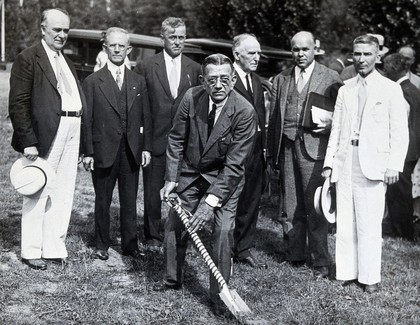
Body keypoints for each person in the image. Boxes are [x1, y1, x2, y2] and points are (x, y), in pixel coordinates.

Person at [159, 54, 257, 311]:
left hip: (225, 178)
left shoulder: (245, 112)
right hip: (191, 173)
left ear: (234, 80)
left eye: (225, 79)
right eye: (212, 80)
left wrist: (209, 204)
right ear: (203, 81)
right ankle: (172, 279)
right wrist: (171, 179)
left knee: (223, 231)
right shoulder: (191, 98)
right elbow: (176, 140)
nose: (219, 85)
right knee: (174, 223)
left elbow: (234, 165)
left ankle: (219, 296)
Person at [322, 35, 409, 293]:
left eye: (367, 54)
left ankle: (370, 277)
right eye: (357, 54)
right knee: (345, 218)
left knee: (369, 221)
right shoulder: (345, 88)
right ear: (352, 55)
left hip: (374, 163)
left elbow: (399, 131)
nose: (361, 59)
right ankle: (346, 271)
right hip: (346, 159)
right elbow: (336, 128)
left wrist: (394, 165)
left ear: (377, 56)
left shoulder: (390, 89)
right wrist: (329, 163)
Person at [8, 8, 86, 270]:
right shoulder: (28, 58)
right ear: (43, 29)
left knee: (63, 191)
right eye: (57, 30)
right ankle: (31, 250)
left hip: (71, 128)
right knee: (37, 189)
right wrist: (28, 139)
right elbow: (18, 103)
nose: (62, 35)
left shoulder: (66, 60)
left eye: (66, 30)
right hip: (44, 133)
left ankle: (53, 246)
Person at [267, 31, 342, 278]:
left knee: (316, 206)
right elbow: (274, 120)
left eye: (305, 49)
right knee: (290, 205)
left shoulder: (331, 77)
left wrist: (332, 126)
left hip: (315, 149)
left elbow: (343, 115)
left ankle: (320, 260)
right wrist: (271, 154)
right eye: (296, 49)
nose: (300, 54)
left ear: (315, 49)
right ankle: (294, 255)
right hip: (286, 147)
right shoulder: (281, 79)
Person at [82, 27, 152, 261]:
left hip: (131, 150)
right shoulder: (92, 81)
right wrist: (88, 151)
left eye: (122, 45)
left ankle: (130, 244)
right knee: (102, 198)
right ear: (105, 48)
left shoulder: (138, 82)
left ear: (129, 49)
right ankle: (101, 243)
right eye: (112, 45)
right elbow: (88, 118)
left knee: (129, 199)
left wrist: (146, 147)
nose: (117, 49)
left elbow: (145, 117)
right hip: (103, 149)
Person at [134, 17, 201, 252]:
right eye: (172, 37)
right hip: (155, 141)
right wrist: (144, 144)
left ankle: (179, 234)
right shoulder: (146, 66)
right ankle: (152, 235)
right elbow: (141, 109)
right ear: (162, 38)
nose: (177, 42)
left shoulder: (195, 68)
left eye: (181, 37)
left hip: (184, 144)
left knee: (183, 191)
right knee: (153, 191)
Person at [231, 33, 267, 268]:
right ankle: (224, 247)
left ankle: (243, 248)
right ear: (237, 54)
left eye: (258, 53)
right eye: (251, 53)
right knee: (230, 200)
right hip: (234, 151)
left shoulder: (255, 81)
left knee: (251, 200)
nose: (257, 57)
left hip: (255, 152)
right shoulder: (226, 78)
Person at [383, 53, 420, 241]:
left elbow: (400, 122)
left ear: (393, 70)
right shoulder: (412, 88)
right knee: (402, 189)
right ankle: (403, 231)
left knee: (398, 191)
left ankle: (403, 232)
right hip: (413, 148)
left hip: (405, 149)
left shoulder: (401, 91)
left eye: (386, 69)